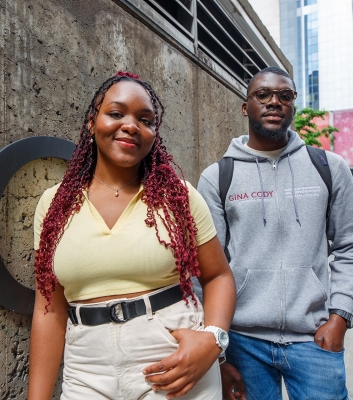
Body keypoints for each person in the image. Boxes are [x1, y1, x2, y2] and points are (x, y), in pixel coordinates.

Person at [28, 71, 236, 400]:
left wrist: (213, 339)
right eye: (116, 113)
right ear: (91, 122)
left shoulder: (178, 195)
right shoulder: (54, 205)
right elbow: (49, 310)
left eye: (145, 119)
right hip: (86, 368)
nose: (131, 126)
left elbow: (219, 275)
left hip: (171, 358)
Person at [197, 66, 353, 400]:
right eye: (262, 95)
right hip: (242, 341)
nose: (273, 102)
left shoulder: (328, 167)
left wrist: (340, 316)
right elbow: (204, 268)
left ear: (293, 104)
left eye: (284, 95)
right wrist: (216, 349)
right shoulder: (218, 176)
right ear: (246, 107)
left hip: (315, 339)